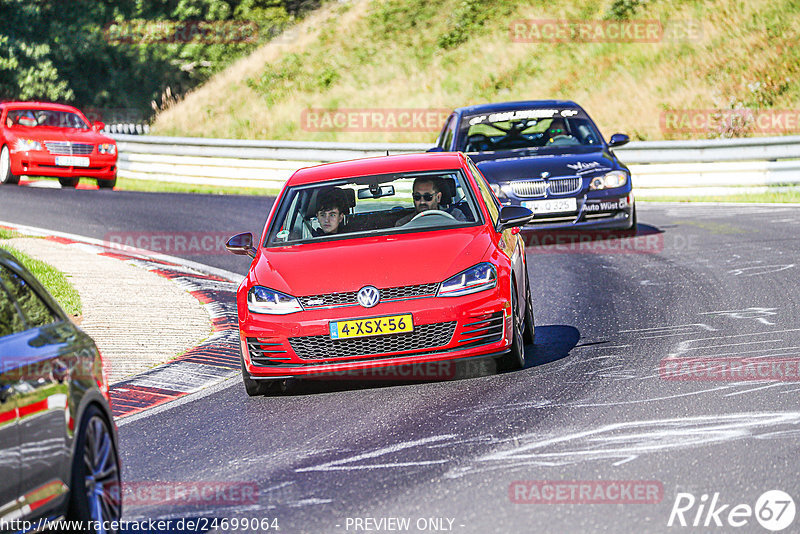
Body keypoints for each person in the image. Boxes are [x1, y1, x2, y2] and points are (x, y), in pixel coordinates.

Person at [395, 177, 466, 226]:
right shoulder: (403, 224)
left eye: (427, 197)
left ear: (438, 197)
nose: (422, 202)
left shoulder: (455, 216)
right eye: (417, 197)